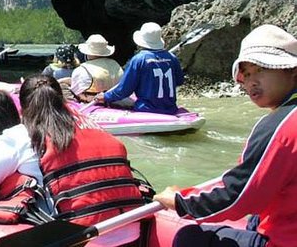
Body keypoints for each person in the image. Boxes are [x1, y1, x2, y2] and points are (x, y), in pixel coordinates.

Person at [0, 75, 144, 226]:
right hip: (128, 226)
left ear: (23, 108)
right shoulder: (94, 126)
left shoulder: (21, 135)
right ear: (62, 101)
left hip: (82, 234)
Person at [154, 24, 297, 247]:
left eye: (261, 69)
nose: (251, 82)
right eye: (246, 74)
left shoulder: (280, 125)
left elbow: (237, 195)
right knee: (255, 220)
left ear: (292, 70)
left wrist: (180, 202)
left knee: (189, 238)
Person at [94, 22, 184, 114]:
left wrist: (106, 96)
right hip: (171, 109)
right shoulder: (172, 58)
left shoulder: (138, 59)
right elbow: (180, 81)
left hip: (146, 109)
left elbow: (124, 90)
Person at [70, 34, 124, 102]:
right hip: (117, 100)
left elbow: (77, 92)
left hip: (94, 102)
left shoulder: (82, 69)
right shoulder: (116, 64)